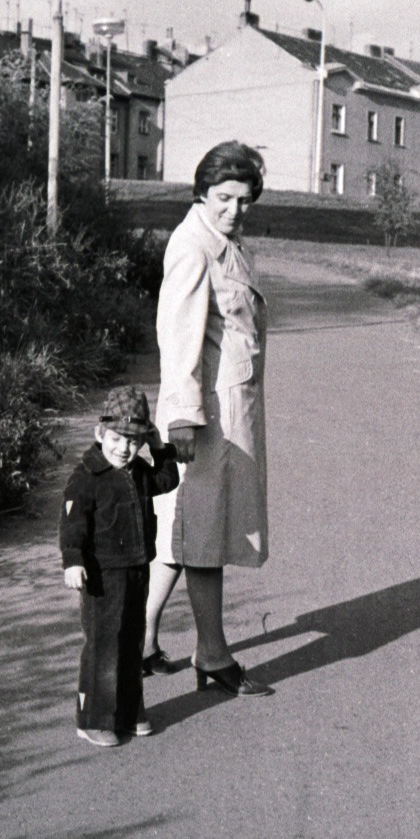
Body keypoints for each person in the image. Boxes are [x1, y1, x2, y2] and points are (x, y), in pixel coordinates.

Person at [143, 140, 274, 697]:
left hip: (227, 405)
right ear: (202, 190)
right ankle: (214, 657)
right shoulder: (193, 245)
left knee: (183, 530)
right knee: (205, 534)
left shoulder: (230, 243)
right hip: (205, 416)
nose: (234, 209)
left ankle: (141, 642)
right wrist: (182, 419)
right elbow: (177, 341)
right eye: (223, 197)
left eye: (244, 200)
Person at [60, 386, 180, 746]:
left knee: (131, 641)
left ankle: (128, 713)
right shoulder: (86, 478)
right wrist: (72, 562)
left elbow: (168, 479)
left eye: (133, 442)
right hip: (101, 577)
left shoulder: (140, 469)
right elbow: (72, 524)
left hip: (136, 569)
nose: (123, 449)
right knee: (103, 645)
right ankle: (93, 718)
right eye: (116, 438)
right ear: (100, 433)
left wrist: (159, 448)